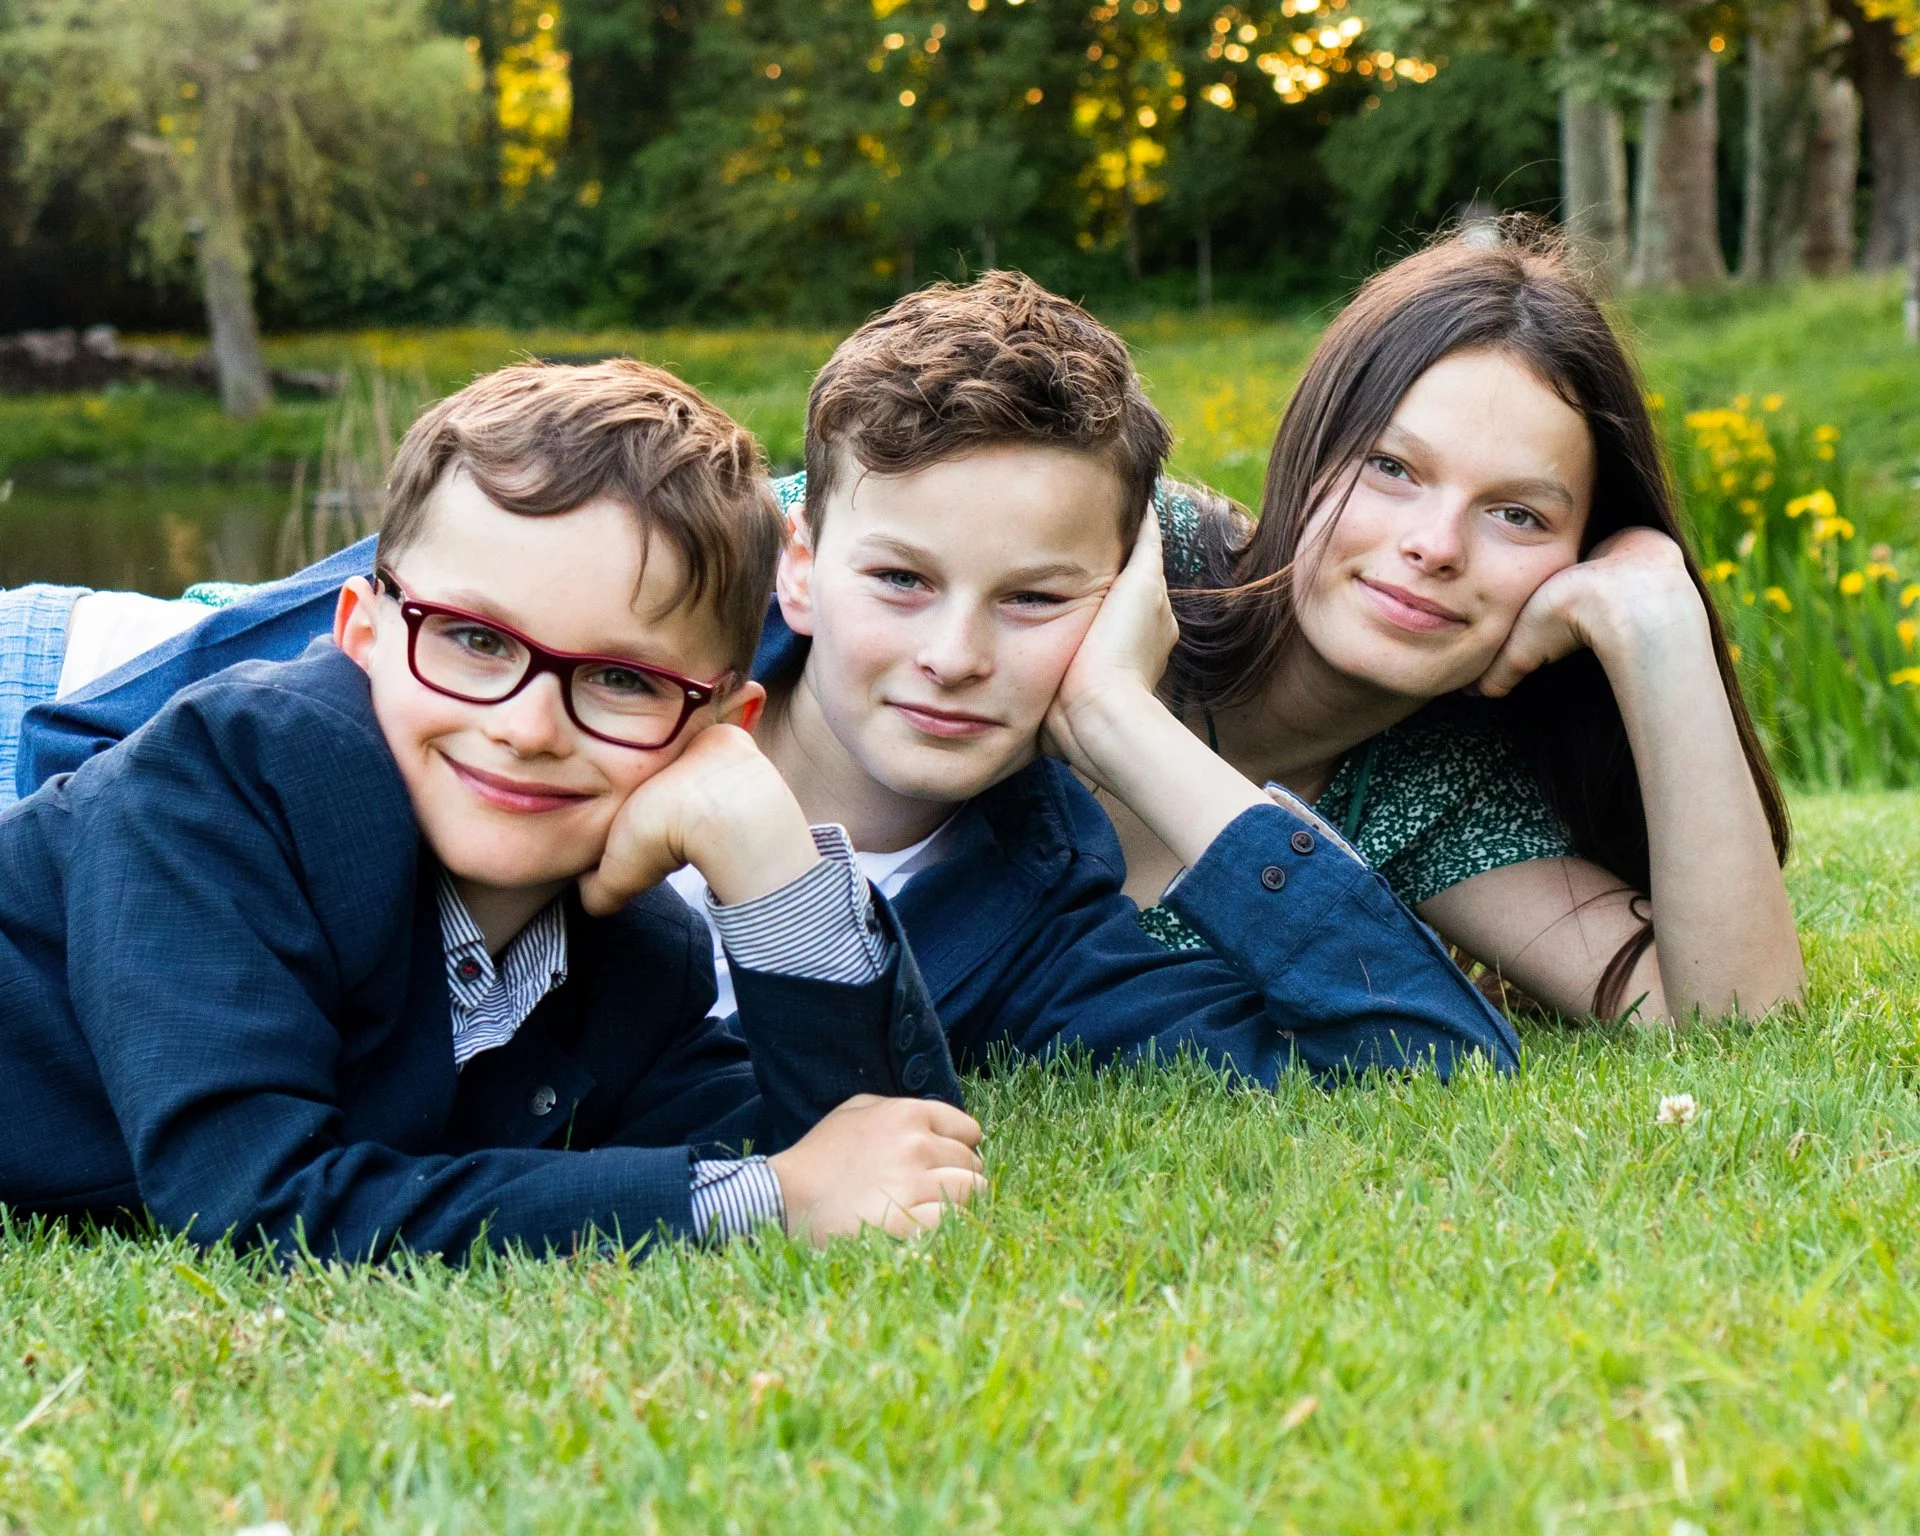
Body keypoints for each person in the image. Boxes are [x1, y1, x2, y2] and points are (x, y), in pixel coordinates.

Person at [15, 275, 1519, 1083]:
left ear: (1121, 599)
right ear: (800, 558)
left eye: (1039, 601)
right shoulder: (611, 605)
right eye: (901, 580)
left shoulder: (1040, 922)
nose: (951, 655)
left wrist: (1129, 722)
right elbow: (138, 732)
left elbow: (1423, 1059)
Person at [0, 359, 983, 1260]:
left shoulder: (639, 960)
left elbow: (892, 1157)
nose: (527, 727)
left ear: (722, 721)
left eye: (619, 678)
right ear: (363, 634)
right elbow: (255, 1204)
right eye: (474, 640)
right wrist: (756, 1202)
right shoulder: (233, 782)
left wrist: (768, 853)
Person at [1106, 226, 1804, 1024]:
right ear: (1310, 447)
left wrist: (1659, 621)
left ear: (1575, 558)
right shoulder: (1130, 552)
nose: (1436, 547)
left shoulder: (1437, 785)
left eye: (1517, 515)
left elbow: (1736, 1018)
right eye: (1392, 468)